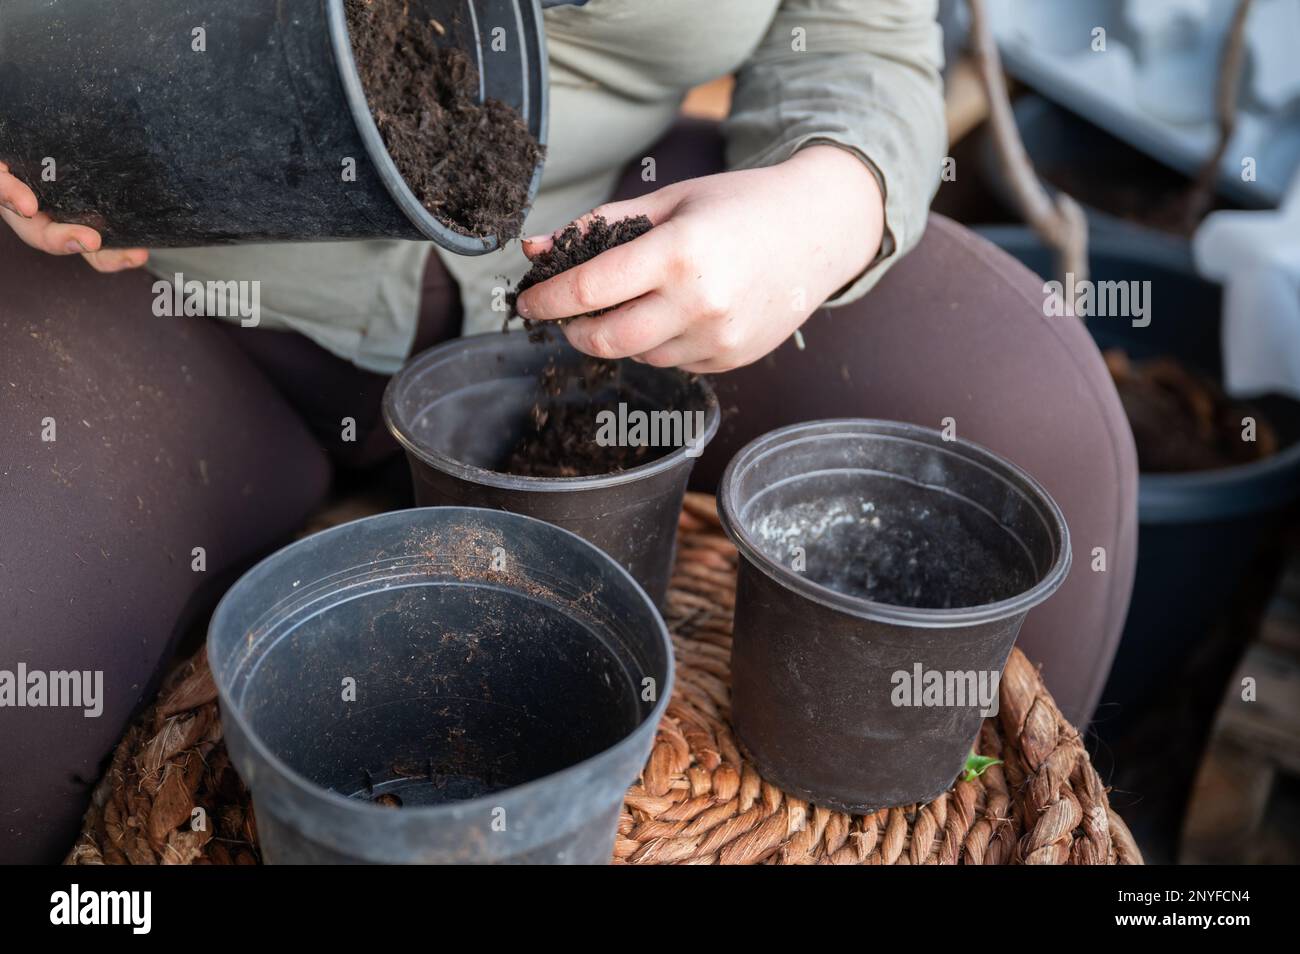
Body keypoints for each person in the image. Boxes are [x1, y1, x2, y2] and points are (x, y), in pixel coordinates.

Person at [0, 0, 1136, 864]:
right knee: (22, 649)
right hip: (188, 274)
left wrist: (828, 201)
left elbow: (852, 25)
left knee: (1036, 437)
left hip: (599, 235)